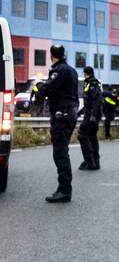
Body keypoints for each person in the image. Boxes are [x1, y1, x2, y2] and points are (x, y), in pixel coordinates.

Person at [39, 44, 79, 202]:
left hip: (62, 116)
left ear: (51, 56)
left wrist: (40, 86)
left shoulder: (59, 70)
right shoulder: (71, 70)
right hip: (68, 114)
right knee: (62, 152)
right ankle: (63, 188)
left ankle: (64, 190)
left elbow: (48, 88)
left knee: (60, 153)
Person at [77, 66, 102, 170]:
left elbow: (97, 101)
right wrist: (80, 112)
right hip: (90, 115)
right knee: (92, 137)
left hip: (91, 117)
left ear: (85, 73)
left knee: (82, 135)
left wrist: (92, 116)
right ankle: (94, 162)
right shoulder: (89, 83)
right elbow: (89, 103)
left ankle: (90, 161)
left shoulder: (93, 84)